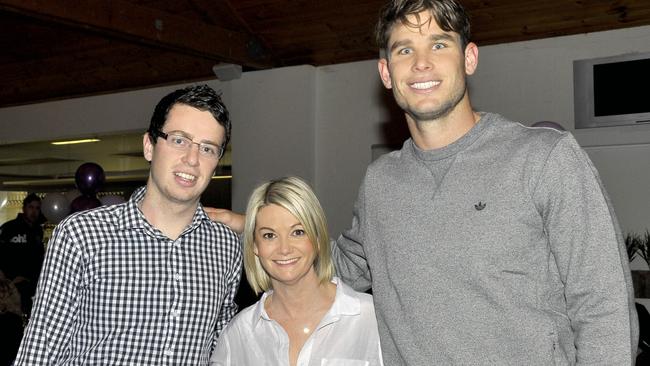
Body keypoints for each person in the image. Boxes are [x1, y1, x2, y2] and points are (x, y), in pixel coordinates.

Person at [209, 0, 638, 364]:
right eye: (403, 50)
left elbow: (605, 309)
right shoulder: (381, 183)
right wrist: (254, 226)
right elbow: (335, 265)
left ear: (469, 57)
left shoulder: (544, 158)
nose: (421, 64)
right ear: (385, 72)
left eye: (439, 43)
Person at [14, 84, 243, 365]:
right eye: (179, 140)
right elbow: (41, 352)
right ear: (149, 146)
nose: (192, 159)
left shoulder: (226, 245)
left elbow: (220, 350)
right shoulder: (82, 236)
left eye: (207, 148)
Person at [211, 177, 383, 366]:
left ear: (318, 239)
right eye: (269, 235)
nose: (284, 248)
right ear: (255, 246)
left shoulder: (373, 320)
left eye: (298, 232)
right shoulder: (238, 335)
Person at [0, 193, 45, 317]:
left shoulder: (38, 231)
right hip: (12, 287)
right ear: (24, 208)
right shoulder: (9, 228)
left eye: (37, 208)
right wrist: (8, 280)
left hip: (32, 286)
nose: (34, 211)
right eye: (31, 207)